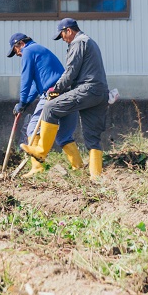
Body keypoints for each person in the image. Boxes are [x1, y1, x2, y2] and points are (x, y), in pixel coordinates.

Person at [21, 19, 110, 179]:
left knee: (50, 108)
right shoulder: (90, 42)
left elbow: (70, 71)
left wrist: (56, 89)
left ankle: (40, 152)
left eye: (62, 35)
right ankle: (95, 177)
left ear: (68, 30)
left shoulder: (78, 43)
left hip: (86, 89)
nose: (62, 39)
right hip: (100, 93)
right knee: (92, 137)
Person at [8, 32, 82, 176]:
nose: (17, 54)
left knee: (32, 129)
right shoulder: (40, 51)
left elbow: (26, 79)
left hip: (52, 93)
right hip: (68, 92)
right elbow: (38, 85)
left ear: (20, 44)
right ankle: (79, 168)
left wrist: (22, 101)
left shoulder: (28, 51)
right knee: (64, 136)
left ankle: (37, 168)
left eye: (15, 50)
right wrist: (26, 103)